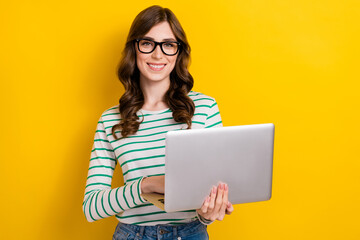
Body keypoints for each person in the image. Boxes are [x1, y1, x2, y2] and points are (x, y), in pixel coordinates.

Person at [82, 5, 234, 240]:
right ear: (135, 48)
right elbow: (91, 207)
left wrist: (207, 214)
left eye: (168, 45)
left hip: (191, 233)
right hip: (131, 235)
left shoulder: (204, 108)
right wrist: (145, 186)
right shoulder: (110, 120)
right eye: (147, 43)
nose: (157, 54)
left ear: (178, 52)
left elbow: (213, 190)